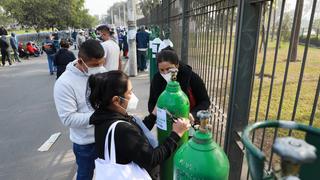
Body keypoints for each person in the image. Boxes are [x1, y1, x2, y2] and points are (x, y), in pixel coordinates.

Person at [88, 70, 190, 178]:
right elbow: (152, 159)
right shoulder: (122, 130)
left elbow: (134, 136)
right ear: (116, 100)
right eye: (129, 92)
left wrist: (152, 116)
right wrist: (176, 134)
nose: (133, 96)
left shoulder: (103, 118)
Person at [53, 39, 106, 180]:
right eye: (95, 65)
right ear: (81, 61)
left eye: (102, 63)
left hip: (106, 136)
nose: (100, 67)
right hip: (86, 144)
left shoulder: (101, 72)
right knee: (85, 175)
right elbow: (68, 118)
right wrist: (99, 116)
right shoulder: (64, 83)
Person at [148, 47, 210, 123]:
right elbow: (152, 103)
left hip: (188, 123)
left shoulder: (191, 77)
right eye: (162, 70)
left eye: (168, 69)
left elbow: (205, 101)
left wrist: (192, 115)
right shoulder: (157, 79)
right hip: (166, 125)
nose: (165, 73)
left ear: (177, 66)